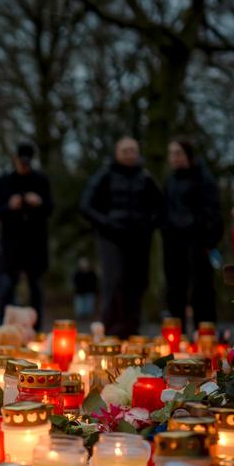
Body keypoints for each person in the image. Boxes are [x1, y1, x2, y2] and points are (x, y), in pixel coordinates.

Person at [79, 136, 163, 339]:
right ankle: (110, 331)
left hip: (139, 239)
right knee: (114, 282)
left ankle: (132, 331)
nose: (129, 155)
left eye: (133, 150)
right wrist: (106, 223)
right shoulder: (105, 175)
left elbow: (160, 206)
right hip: (111, 238)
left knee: (137, 284)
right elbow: (86, 206)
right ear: (117, 153)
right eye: (125, 151)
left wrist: (148, 225)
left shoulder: (145, 178)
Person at [0, 142, 53, 324]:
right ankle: (4, 327)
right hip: (11, 245)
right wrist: (8, 206)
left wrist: (39, 203)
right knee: (6, 288)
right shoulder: (3, 182)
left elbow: (50, 208)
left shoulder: (41, 181)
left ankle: (35, 329)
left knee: (36, 290)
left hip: (35, 244)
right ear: (15, 159)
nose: (24, 165)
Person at [163, 137, 221, 331]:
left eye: (177, 153)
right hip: (174, 243)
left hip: (198, 242)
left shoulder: (203, 178)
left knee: (202, 290)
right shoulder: (170, 180)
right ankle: (176, 334)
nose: (173, 157)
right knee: (175, 289)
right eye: (171, 154)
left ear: (187, 155)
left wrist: (208, 239)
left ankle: (204, 334)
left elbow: (213, 211)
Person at [72, 256, 98, 320]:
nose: (84, 265)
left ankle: (88, 318)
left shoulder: (92, 273)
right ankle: (81, 318)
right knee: (80, 308)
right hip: (79, 293)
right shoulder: (77, 273)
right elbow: (75, 282)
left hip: (89, 292)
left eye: (85, 263)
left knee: (89, 307)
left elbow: (94, 282)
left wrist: (94, 290)